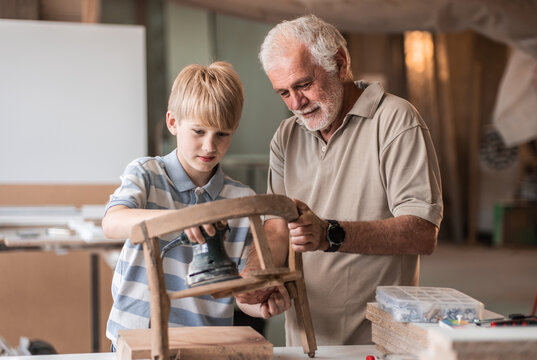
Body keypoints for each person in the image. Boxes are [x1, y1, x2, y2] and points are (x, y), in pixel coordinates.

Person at [236, 15, 443, 346]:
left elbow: (422, 232)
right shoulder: (287, 136)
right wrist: (254, 279)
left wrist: (330, 234)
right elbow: (276, 228)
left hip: (376, 343)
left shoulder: (396, 121)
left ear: (339, 63)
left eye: (303, 85)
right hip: (305, 341)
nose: (296, 104)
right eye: (283, 93)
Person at [103, 61, 275, 348]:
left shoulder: (241, 201)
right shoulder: (146, 173)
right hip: (137, 340)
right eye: (199, 131)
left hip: (205, 342)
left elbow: (240, 297)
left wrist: (261, 304)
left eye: (222, 134)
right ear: (173, 122)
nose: (210, 146)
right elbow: (112, 222)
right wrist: (184, 219)